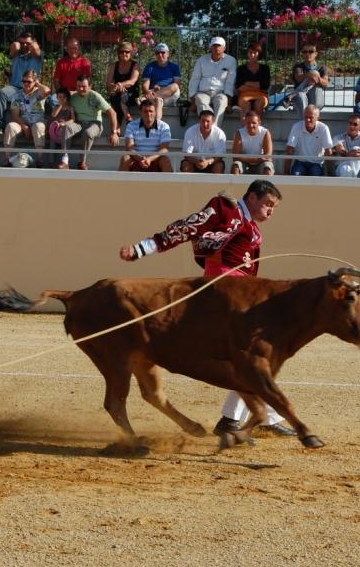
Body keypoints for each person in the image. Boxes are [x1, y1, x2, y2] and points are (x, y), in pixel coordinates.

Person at [117, 179, 296, 438]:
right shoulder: (225, 208)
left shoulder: (253, 230)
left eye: (274, 208)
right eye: (268, 204)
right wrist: (141, 248)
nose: (270, 211)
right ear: (252, 197)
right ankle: (250, 419)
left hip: (240, 294)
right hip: (221, 292)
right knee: (253, 355)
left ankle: (241, 419)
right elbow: (187, 227)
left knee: (255, 356)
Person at [63, 75, 120, 170]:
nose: (81, 89)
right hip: (78, 123)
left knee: (88, 132)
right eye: (78, 86)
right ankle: (64, 161)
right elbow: (62, 107)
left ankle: (82, 162)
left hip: (95, 124)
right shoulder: (73, 97)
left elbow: (112, 113)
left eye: (84, 86)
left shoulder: (96, 96)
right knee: (67, 127)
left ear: (90, 86)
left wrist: (114, 133)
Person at [0, 31, 42, 132]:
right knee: (1, 93)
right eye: (22, 43)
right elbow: (15, 46)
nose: (24, 45)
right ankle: (0, 126)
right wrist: (20, 44)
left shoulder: (37, 57)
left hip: (32, 89)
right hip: (16, 88)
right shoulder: (16, 55)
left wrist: (31, 43)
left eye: (27, 43)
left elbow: (35, 48)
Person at [3, 69, 51, 166]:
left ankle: (40, 159)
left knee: (38, 127)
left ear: (35, 81)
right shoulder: (17, 95)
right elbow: (15, 115)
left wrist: (37, 84)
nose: (25, 83)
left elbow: (47, 91)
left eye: (28, 81)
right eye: (24, 81)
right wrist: (24, 127)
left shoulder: (39, 93)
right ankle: (7, 159)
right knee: (10, 126)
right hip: (22, 123)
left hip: (38, 122)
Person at [188, 37, 236, 127]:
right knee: (200, 100)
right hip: (203, 92)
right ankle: (207, 125)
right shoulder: (201, 60)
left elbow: (230, 82)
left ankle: (214, 129)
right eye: (214, 46)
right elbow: (195, 79)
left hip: (220, 92)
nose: (216, 48)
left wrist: (229, 103)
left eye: (219, 46)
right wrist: (193, 101)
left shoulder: (231, 61)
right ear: (210, 47)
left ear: (224, 48)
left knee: (222, 101)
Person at [118, 98, 172, 172]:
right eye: (145, 111)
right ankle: (120, 180)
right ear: (140, 113)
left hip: (156, 159)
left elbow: (164, 149)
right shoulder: (131, 125)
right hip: (136, 159)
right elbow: (129, 148)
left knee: (165, 160)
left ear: (155, 112)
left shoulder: (164, 126)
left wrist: (149, 159)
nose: (148, 114)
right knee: (125, 158)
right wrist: (140, 158)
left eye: (151, 111)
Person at [284, 104, 333, 176]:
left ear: (317, 118)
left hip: (317, 163)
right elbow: (290, 149)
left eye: (311, 117)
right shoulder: (296, 127)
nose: (307, 120)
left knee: (315, 176)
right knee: (295, 176)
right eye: (306, 117)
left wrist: (331, 174)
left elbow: (328, 151)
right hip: (300, 162)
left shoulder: (324, 128)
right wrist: (286, 173)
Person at [140, 43, 181, 122]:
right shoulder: (150, 67)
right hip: (154, 93)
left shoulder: (174, 67)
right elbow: (145, 85)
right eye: (157, 53)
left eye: (163, 52)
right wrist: (149, 91)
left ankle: (149, 98)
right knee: (158, 100)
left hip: (169, 95)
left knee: (175, 86)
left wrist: (159, 91)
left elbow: (178, 84)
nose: (160, 55)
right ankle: (157, 125)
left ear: (168, 54)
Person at [181, 109, 227, 173]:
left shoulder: (219, 133)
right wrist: (197, 162)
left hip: (212, 163)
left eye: (208, 121)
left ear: (213, 121)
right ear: (199, 120)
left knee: (219, 166)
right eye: (203, 121)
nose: (205, 124)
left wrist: (207, 162)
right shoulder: (190, 131)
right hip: (194, 162)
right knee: (186, 165)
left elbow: (220, 156)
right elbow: (187, 154)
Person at [105, 42, 140, 124]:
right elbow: (108, 83)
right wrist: (116, 87)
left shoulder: (135, 65)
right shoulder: (114, 65)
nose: (124, 54)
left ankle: (118, 126)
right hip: (117, 92)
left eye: (127, 52)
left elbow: (132, 81)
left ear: (131, 53)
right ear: (118, 53)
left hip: (131, 94)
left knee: (120, 98)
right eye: (121, 51)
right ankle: (127, 116)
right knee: (118, 96)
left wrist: (120, 85)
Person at [231, 110, 274, 175]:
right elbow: (235, 156)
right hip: (246, 162)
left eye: (254, 123)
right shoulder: (239, 133)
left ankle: (266, 182)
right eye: (248, 123)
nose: (251, 125)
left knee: (267, 168)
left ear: (259, 123)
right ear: (245, 122)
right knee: (235, 167)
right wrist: (257, 159)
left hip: (259, 163)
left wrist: (251, 159)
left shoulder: (265, 132)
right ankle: (235, 182)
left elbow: (268, 156)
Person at [288, 45, 329, 113]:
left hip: (315, 100)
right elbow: (298, 78)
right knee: (301, 95)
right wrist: (310, 74)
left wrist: (317, 77)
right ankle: (306, 116)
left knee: (316, 86)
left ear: (316, 54)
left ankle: (312, 112)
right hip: (301, 100)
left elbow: (325, 83)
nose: (307, 54)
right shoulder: (298, 67)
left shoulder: (322, 68)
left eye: (311, 51)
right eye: (305, 52)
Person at [234, 42, 270, 117]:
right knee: (246, 105)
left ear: (259, 54)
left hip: (261, 96)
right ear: (247, 53)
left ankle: (257, 124)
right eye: (250, 52)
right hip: (244, 95)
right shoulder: (241, 69)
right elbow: (239, 86)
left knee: (258, 104)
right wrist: (258, 85)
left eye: (255, 53)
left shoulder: (265, 68)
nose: (252, 55)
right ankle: (245, 125)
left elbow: (265, 86)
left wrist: (247, 83)